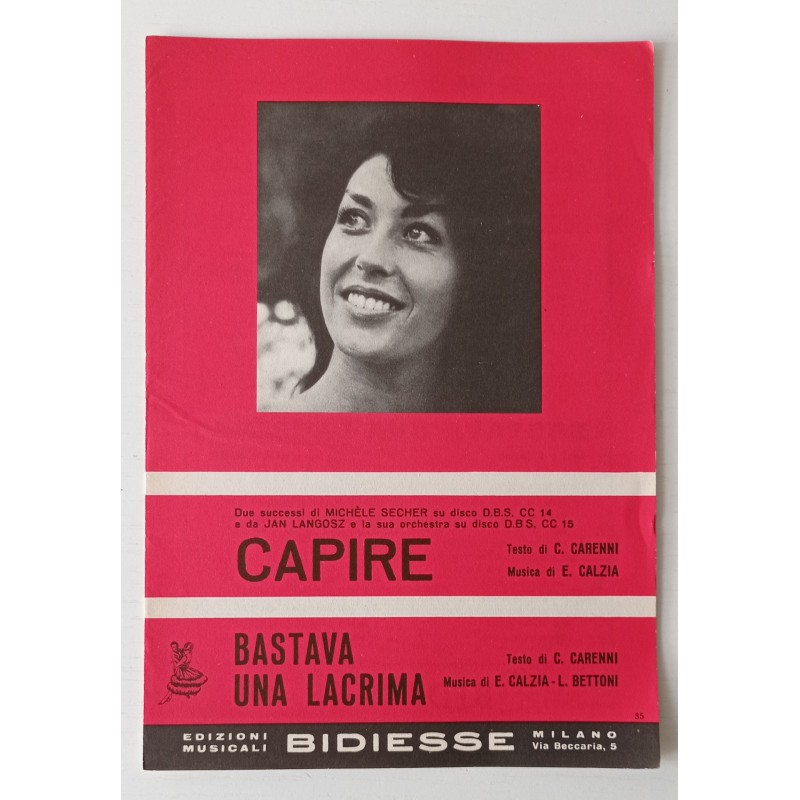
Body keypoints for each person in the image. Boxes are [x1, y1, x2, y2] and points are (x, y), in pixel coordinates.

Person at [269, 104, 539, 413]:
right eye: (354, 218)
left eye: (418, 233)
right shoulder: (266, 438)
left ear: (476, 279)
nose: (370, 258)